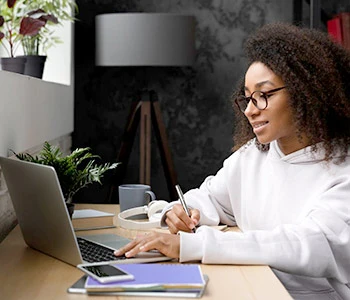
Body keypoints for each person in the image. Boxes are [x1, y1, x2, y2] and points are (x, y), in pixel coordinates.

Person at [114, 23, 350, 299]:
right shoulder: (253, 155)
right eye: (248, 98)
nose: (250, 110)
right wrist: (180, 210)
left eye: (264, 95)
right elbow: (212, 198)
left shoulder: (341, 171)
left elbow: (304, 243)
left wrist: (194, 245)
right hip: (248, 286)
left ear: (307, 92)